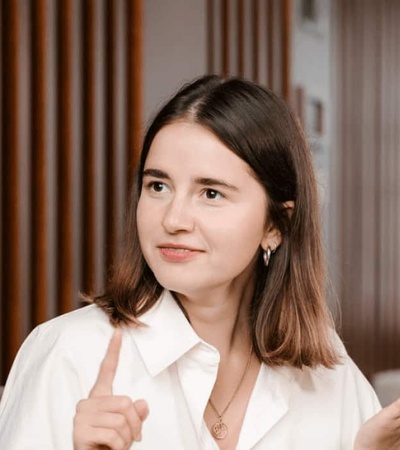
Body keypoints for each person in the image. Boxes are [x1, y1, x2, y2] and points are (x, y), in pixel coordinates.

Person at [0, 75, 390, 449]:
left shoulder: (327, 373)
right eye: (158, 186)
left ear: (275, 224)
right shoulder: (69, 352)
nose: (173, 219)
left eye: (211, 193)